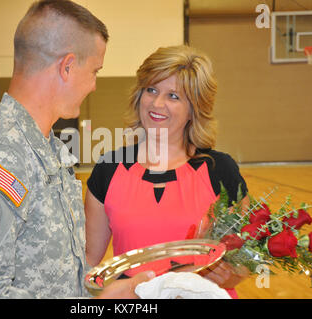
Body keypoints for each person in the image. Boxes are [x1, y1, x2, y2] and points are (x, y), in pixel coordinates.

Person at [0, 0, 153, 299]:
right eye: (95, 71)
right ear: (67, 66)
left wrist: (104, 296)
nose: (94, 86)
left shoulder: (49, 150)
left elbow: (55, 271)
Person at [85, 45, 250, 299]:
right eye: (151, 90)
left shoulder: (220, 170)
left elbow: (244, 259)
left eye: (173, 96)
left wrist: (233, 274)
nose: (157, 103)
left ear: (194, 109)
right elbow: (89, 261)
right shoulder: (109, 169)